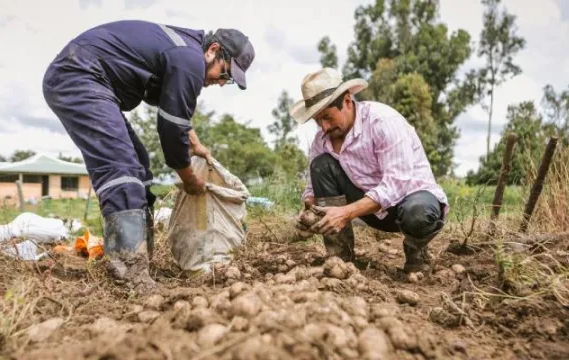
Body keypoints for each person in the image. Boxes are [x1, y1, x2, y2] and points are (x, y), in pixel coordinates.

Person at [42, 20, 255, 290]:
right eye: (224, 73)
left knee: (139, 166)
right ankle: (128, 273)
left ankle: (140, 262)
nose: (222, 82)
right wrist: (189, 179)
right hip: (78, 74)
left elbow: (175, 116)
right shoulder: (189, 59)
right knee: (122, 166)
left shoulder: (185, 52)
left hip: (89, 77)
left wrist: (195, 143)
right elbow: (171, 130)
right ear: (213, 50)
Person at [291, 68, 448, 273]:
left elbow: (396, 184)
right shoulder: (322, 140)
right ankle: (340, 257)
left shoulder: (383, 122)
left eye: (328, 117)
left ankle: (417, 252)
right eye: (318, 120)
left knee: (418, 213)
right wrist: (309, 213)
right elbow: (312, 191)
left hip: (410, 202)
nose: (324, 127)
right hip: (369, 209)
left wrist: (345, 213)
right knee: (320, 165)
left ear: (347, 101)